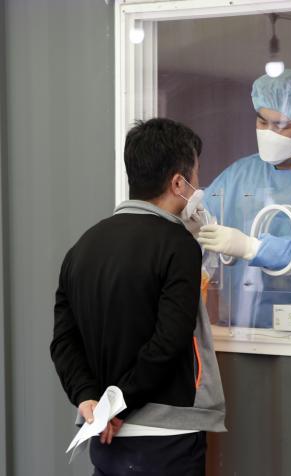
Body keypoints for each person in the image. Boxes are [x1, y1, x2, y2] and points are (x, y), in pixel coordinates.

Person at [50, 118, 226, 476]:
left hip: (104, 436)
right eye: (195, 177)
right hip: (166, 437)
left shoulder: (82, 248)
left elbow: (64, 342)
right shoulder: (178, 246)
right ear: (178, 183)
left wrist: (89, 399)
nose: (198, 188)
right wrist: (120, 402)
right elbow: (170, 340)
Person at [197, 69, 291, 328]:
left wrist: (253, 248)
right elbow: (199, 219)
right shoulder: (242, 173)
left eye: (281, 125)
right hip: (239, 331)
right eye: (262, 122)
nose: (268, 132)